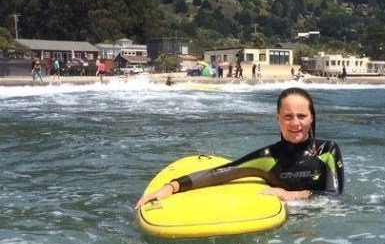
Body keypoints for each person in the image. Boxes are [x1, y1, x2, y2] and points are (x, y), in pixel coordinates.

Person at [135, 87, 344, 209]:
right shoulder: (267, 157)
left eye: (302, 116)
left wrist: (292, 195)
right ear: (277, 118)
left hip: (319, 231)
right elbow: (221, 173)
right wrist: (171, 187)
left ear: (312, 117)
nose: (295, 123)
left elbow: (334, 199)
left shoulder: (327, 151)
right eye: (288, 116)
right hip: (281, 224)